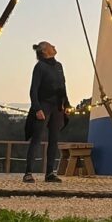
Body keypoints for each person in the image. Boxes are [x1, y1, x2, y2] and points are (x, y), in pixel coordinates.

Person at [24, 41, 70, 184]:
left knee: (54, 139)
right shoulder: (40, 67)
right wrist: (37, 108)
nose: (54, 46)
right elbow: (33, 90)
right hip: (44, 105)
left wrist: (66, 103)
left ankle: (50, 173)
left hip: (57, 106)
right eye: (51, 46)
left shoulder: (59, 66)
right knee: (37, 139)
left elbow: (63, 86)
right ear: (45, 51)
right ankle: (28, 173)